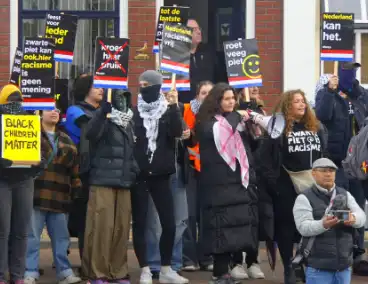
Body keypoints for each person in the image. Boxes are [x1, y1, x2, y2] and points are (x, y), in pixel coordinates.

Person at [256, 89, 328, 284]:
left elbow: (324, 154)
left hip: (311, 185)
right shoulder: (277, 129)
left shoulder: (316, 127)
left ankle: (302, 263)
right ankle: (288, 266)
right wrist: (275, 184)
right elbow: (264, 159)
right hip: (286, 186)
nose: (302, 104)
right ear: (287, 105)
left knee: (308, 227)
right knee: (286, 228)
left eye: (303, 101)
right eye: (297, 101)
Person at [195, 83, 260, 284]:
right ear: (217, 101)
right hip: (218, 184)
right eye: (227, 99)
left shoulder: (236, 121)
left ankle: (226, 271)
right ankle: (219, 273)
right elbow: (217, 133)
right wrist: (240, 116)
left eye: (233, 98)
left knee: (234, 230)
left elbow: (252, 147)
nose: (232, 101)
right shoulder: (208, 122)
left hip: (237, 182)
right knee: (219, 229)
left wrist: (253, 126)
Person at [131, 70, 188, 284]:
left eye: (148, 84)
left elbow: (175, 132)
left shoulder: (168, 110)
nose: (144, 88)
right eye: (141, 84)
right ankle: (145, 268)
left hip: (162, 174)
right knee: (141, 223)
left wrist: (173, 106)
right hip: (140, 175)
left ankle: (166, 268)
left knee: (169, 224)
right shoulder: (135, 112)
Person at [81, 89, 137, 284]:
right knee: (101, 228)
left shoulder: (130, 120)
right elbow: (91, 133)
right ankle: (98, 272)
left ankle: (118, 270)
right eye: (118, 98)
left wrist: (133, 170)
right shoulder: (103, 116)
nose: (122, 101)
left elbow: (132, 149)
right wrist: (103, 110)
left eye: (125, 97)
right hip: (102, 179)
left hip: (123, 180)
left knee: (121, 228)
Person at [314, 70, 368, 269]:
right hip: (337, 163)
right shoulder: (327, 96)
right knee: (340, 207)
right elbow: (322, 114)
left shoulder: (358, 97)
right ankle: (340, 252)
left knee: (359, 208)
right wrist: (330, 91)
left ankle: (358, 253)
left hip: (359, 165)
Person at [24, 109, 82, 284]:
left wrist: (77, 190)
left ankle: (64, 272)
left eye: (57, 109)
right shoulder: (30, 135)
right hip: (35, 194)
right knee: (32, 237)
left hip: (60, 196)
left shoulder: (66, 139)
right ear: (40, 113)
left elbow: (75, 170)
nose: (55, 112)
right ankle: (30, 271)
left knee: (62, 238)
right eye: (50, 109)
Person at [293, 158, 366, 284]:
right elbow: (303, 227)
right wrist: (323, 224)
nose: (328, 174)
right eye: (323, 171)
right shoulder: (304, 198)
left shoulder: (345, 194)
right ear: (313, 173)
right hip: (318, 268)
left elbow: (362, 217)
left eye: (331, 171)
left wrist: (353, 219)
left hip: (344, 267)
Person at [0, 84, 46, 284]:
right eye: (11, 101)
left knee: (21, 230)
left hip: (25, 180)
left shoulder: (30, 121)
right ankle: (1, 275)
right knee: (2, 230)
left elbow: (41, 151)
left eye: (18, 101)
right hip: (2, 180)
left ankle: (17, 275)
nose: (15, 105)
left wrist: (38, 164)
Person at [145, 89, 191, 277]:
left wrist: (175, 109)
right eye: (163, 91)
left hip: (178, 169)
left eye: (169, 91)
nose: (167, 94)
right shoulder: (147, 111)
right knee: (155, 221)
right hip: (158, 171)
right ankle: (156, 264)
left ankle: (175, 262)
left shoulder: (177, 109)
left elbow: (185, 133)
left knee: (180, 218)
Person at [64, 74, 103, 261]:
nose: (101, 89)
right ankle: (85, 260)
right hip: (82, 170)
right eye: (96, 86)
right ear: (85, 89)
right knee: (83, 218)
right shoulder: (74, 110)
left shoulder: (103, 110)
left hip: (100, 168)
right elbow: (89, 128)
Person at [181, 81, 214, 272]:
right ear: (196, 95)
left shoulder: (218, 116)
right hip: (190, 169)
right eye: (203, 93)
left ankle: (207, 257)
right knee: (190, 215)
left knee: (208, 215)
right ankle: (188, 258)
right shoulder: (184, 110)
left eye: (210, 93)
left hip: (211, 170)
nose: (207, 96)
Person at [179, 19, 215, 103]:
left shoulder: (208, 53)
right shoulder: (178, 56)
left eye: (199, 29)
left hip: (208, 102)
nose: (199, 32)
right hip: (186, 103)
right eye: (194, 29)